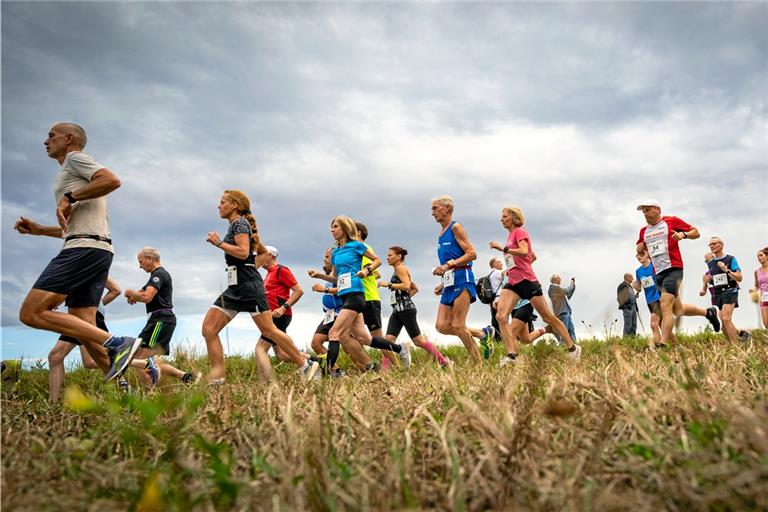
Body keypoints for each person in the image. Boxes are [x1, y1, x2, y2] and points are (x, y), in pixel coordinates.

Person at [15, 123, 141, 382]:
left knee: (31, 312)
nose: (45, 141)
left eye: (51, 136)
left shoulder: (75, 159)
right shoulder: (71, 171)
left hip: (83, 249)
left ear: (69, 139)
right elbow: (72, 227)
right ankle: (130, 392)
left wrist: (69, 198)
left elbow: (112, 180)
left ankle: (117, 342)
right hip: (95, 248)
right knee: (85, 329)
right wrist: (38, 230)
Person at [202, 190, 318, 384]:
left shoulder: (239, 223)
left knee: (270, 331)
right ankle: (217, 378)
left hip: (248, 287)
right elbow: (262, 253)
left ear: (235, 205)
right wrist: (249, 267)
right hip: (236, 286)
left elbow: (243, 251)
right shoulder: (237, 226)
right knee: (209, 329)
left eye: (222, 202)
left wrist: (219, 243)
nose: (218, 206)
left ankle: (305, 365)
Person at [311, 216, 411, 374]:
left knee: (334, 333)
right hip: (345, 298)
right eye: (331, 227)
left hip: (356, 296)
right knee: (364, 339)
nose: (332, 230)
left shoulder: (357, 246)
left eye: (335, 226)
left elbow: (377, 260)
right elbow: (336, 278)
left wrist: (366, 270)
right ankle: (400, 349)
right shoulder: (336, 253)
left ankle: (330, 373)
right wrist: (319, 275)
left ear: (344, 228)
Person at [490, 205, 581, 362]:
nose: (501, 219)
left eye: (504, 216)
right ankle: (511, 356)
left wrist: (504, 249)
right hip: (513, 283)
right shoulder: (511, 235)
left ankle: (573, 348)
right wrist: (519, 265)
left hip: (527, 281)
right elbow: (531, 256)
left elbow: (525, 251)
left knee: (547, 316)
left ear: (513, 218)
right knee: (501, 316)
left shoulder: (520, 232)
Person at [635, 199, 720, 346]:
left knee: (665, 305)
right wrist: (639, 249)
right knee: (678, 310)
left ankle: (663, 343)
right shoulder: (644, 231)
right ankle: (709, 313)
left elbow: (696, 232)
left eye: (648, 210)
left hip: (673, 269)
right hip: (658, 273)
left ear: (658, 209)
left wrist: (683, 235)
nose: (645, 213)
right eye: (643, 211)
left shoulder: (671, 221)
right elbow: (640, 248)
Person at [431, 195, 494, 363]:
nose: (432, 213)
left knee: (458, 325)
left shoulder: (455, 227)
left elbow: (472, 253)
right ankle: (482, 333)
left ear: (447, 209)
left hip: (463, 278)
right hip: (450, 281)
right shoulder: (441, 233)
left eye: (435, 208)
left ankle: (478, 364)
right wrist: (443, 283)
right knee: (442, 326)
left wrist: (448, 265)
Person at [123, 247, 199, 386]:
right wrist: (133, 295)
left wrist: (129, 292)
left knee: (141, 356)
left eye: (140, 262)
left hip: (160, 320)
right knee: (151, 360)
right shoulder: (155, 277)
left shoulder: (159, 274)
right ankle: (186, 377)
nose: (140, 266)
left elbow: (146, 297)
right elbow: (141, 293)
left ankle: (149, 393)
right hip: (159, 320)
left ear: (150, 258)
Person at [47, 277, 124, 401]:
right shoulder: (77, 263)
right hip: (77, 315)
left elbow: (115, 290)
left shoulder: (89, 261)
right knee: (60, 357)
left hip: (86, 314)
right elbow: (115, 290)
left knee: (94, 359)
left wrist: (97, 305)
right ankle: (53, 402)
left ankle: (138, 366)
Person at [377, 246, 450, 366]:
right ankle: (385, 372)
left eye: (390, 255)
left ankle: (443, 361)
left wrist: (388, 284)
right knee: (387, 342)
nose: (387, 257)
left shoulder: (401, 269)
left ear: (399, 256)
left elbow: (406, 286)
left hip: (406, 310)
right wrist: (403, 299)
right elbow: (414, 288)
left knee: (418, 341)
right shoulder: (398, 270)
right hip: (397, 310)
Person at [253, 246, 312, 379]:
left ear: (270, 255)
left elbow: (298, 291)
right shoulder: (268, 274)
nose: (258, 259)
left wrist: (283, 307)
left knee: (260, 349)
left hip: (279, 316)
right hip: (271, 315)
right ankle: (316, 361)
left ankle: (266, 384)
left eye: (260, 255)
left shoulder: (281, 270)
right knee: (282, 355)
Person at [355, 222, 399, 370]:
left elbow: (371, 267)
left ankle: (398, 366)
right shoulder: (353, 250)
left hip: (369, 298)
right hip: (356, 298)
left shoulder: (364, 249)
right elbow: (375, 273)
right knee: (354, 338)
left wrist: (366, 272)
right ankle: (364, 368)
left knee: (378, 338)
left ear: (359, 232)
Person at [704, 237, 750, 343]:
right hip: (718, 293)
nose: (712, 246)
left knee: (726, 318)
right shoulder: (710, 263)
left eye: (714, 244)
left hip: (730, 290)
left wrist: (726, 270)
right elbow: (716, 280)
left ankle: (736, 346)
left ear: (721, 245)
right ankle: (741, 336)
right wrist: (709, 280)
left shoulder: (730, 259)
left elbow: (739, 277)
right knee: (723, 326)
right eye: (710, 244)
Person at [497, 299, 548, 366]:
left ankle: (512, 359)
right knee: (525, 339)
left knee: (510, 333)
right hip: (514, 306)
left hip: (525, 304)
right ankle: (548, 329)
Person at [633, 252, 663, 348]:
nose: (638, 256)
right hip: (649, 300)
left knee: (653, 324)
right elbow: (639, 288)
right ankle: (676, 345)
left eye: (641, 254)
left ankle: (659, 348)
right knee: (661, 325)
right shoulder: (638, 271)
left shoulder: (654, 266)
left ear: (647, 254)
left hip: (659, 298)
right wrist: (635, 286)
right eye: (637, 255)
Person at [548, 274, 576, 343]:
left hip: (566, 312)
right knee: (564, 331)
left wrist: (573, 287)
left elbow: (568, 295)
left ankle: (574, 345)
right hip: (562, 312)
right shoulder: (553, 288)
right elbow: (566, 291)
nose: (560, 279)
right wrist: (572, 285)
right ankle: (563, 347)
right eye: (559, 278)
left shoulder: (558, 289)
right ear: (555, 279)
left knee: (571, 330)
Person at [749, 247, 768, 329]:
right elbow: (757, 285)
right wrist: (753, 290)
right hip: (764, 298)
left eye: (761, 255)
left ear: (767, 256)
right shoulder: (757, 272)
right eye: (757, 256)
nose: (759, 258)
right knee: (766, 324)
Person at [487, 258, 505, 342]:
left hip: (492, 300)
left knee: (495, 320)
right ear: (494, 264)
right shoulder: (497, 272)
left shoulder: (490, 274)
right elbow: (508, 273)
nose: (501, 263)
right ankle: (501, 340)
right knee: (502, 321)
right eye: (499, 262)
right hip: (499, 299)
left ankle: (496, 340)